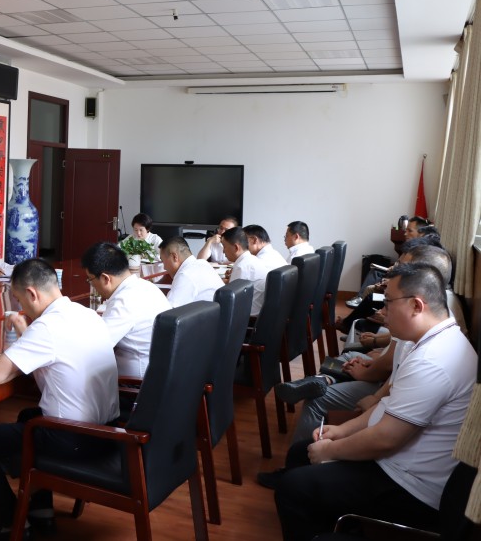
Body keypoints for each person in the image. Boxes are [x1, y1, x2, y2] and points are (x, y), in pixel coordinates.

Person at [273, 262, 476, 541]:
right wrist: (341, 431)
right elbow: (388, 405)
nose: (383, 309)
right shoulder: (426, 340)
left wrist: (331, 450)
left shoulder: (434, 361)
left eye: (389, 302)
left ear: (416, 306)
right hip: (398, 463)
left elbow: (385, 439)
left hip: (409, 486)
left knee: (293, 488)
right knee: (300, 453)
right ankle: (331, 523)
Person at [0, 259, 119, 540]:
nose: (22, 307)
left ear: (32, 293)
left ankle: (11, 522)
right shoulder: (86, 314)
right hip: (106, 431)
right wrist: (25, 332)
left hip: (73, 438)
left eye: (20, 300)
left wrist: (22, 337)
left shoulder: (47, 327)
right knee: (28, 416)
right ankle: (41, 512)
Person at [81, 242, 171, 378]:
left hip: (136, 383)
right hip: (160, 370)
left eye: (90, 280)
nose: (92, 285)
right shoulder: (146, 286)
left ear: (105, 278)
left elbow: (94, 346)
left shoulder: (123, 302)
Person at [222, 226, 273, 316]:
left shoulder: (241, 267)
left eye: (224, 247)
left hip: (250, 317)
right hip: (258, 312)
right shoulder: (252, 259)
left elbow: (230, 300)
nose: (223, 251)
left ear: (236, 247)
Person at [159, 236, 223, 308]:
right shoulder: (203, 263)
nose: (164, 267)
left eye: (163, 261)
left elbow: (169, 310)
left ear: (174, 257)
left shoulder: (185, 275)